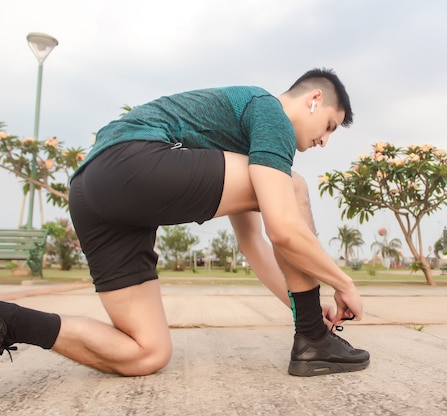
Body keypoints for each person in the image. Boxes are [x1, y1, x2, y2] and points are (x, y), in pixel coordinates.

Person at [0, 68, 369, 377]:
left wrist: (300, 305)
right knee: (294, 187)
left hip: (91, 191)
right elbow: (284, 229)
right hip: (132, 159)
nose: (324, 140)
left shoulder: (248, 155)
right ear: (314, 99)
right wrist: (342, 283)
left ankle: (12, 321)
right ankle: (313, 344)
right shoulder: (270, 111)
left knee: (146, 353)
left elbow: (253, 245)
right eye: (330, 125)